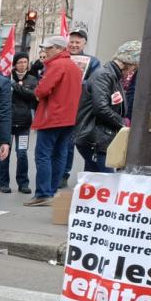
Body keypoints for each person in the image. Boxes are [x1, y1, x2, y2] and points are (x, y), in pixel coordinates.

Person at [24, 36, 82, 207]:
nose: (45, 51)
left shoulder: (57, 65)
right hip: (68, 117)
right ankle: (52, 189)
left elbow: (42, 90)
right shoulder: (74, 66)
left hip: (53, 117)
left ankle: (43, 193)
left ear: (58, 49)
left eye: (48, 48)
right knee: (59, 154)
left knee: (43, 155)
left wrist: (37, 91)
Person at [74, 40, 140, 173]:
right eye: (134, 67)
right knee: (107, 181)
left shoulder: (112, 76)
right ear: (128, 63)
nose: (133, 71)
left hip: (98, 139)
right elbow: (101, 108)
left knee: (94, 182)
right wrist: (122, 123)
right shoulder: (105, 76)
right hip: (95, 140)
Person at [60, 28, 102, 188]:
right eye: (72, 41)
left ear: (84, 43)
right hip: (59, 107)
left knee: (69, 143)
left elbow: (95, 83)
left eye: (78, 42)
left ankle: (64, 174)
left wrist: (77, 82)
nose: (74, 45)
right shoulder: (61, 58)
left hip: (78, 109)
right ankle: (56, 173)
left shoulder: (93, 62)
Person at [2, 52, 38, 193]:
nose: (23, 64)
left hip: (24, 123)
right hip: (8, 123)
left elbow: (33, 95)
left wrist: (16, 86)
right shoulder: (6, 78)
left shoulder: (32, 79)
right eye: (20, 62)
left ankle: (23, 183)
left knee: (22, 153)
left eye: (25, 62)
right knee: (5, 153)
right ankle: (4, 183)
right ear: (15, 64)